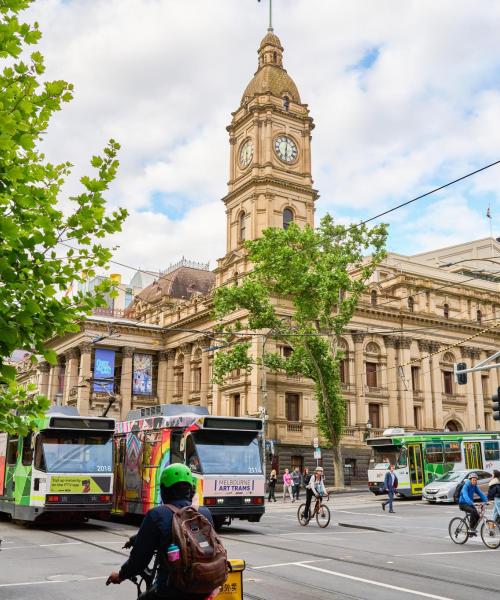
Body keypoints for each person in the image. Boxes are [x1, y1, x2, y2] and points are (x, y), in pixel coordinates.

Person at [106, 463, 214, 599]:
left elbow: (139, 561)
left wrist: (121, 575)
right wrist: (135, 539)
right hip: (205, 585)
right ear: (191, 490)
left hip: (172, 589)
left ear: (163, 490)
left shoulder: (156, 515)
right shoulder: (205, 513)